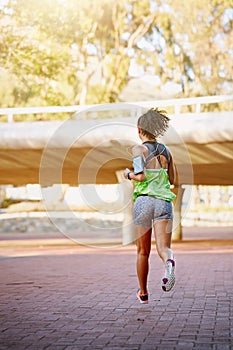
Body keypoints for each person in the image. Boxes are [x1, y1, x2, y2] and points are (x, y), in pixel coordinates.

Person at [124, 108, 177, 304]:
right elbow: (172, 179)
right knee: (164, 247)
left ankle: (143, 292)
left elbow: (141, 176)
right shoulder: (167, 151)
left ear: (139, 129)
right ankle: (169, 263)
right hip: (164, 202)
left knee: (142, 252)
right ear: (156, 129)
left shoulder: (139, 150)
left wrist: (128, 174)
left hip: (144, 201)